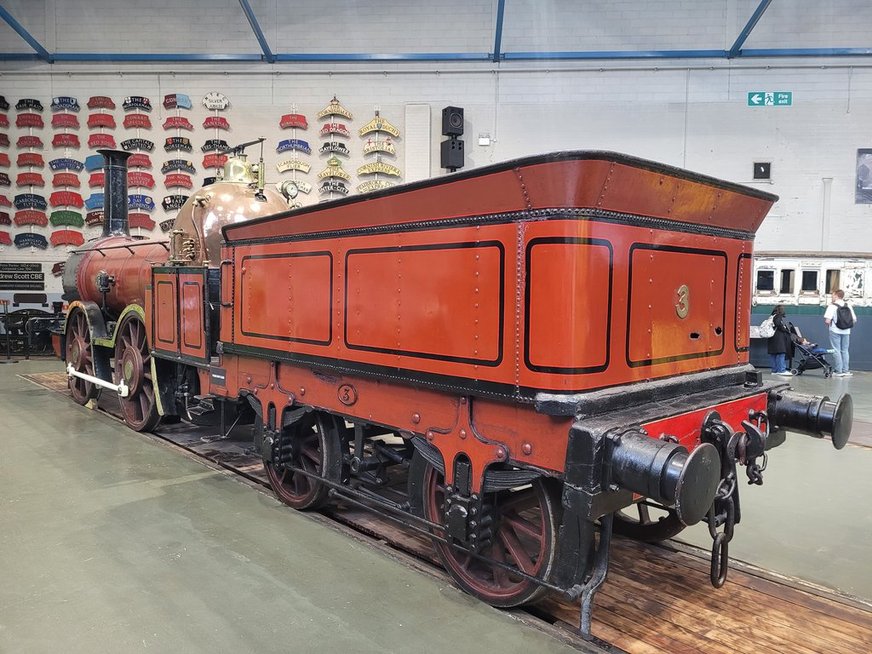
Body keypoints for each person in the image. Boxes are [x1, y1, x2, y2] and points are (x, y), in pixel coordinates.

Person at [824, 289, 858, 377]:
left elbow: (827, 321)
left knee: (836, 350)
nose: (832, 296)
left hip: (835, 330)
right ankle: (846, 370)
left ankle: (838, 371)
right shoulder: (848, 305)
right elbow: (854, 320)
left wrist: (830, 326)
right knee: (845, 350)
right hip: (847, 331)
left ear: (836, 295)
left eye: (832, 295)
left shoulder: (832, 306)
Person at [767, 305, 793, 376]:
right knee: (781, 353)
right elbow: (778, 324)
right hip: (778, 338)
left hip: (772, 337)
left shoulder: (772, 316)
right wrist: (785, 330)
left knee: (774, 354)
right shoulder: (778, 316)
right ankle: (781, 370)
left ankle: (774, 370)